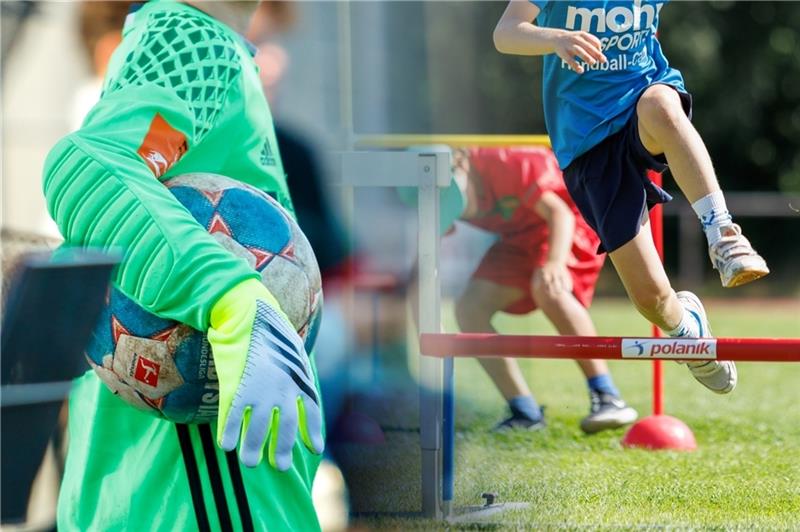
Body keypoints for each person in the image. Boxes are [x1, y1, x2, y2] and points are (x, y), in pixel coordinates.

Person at [42, 1, 324, 530]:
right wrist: (230, 297)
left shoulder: (213, 45)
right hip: (202, 489)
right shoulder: (191, 35)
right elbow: (88, 168)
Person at [493, 0, 770, 394]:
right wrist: (556, 38)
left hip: (642, 104)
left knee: (661, 105)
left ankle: (724, 235)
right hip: (586, 141)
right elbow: (506, 32)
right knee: (651, 299)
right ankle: (687, 330)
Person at [443, 147, 638, 433]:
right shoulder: (431, 195)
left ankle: (608, 396)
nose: (461, 211)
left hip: (570, 221)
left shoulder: (508, 162)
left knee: (548, 288)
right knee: (469, 309)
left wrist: (555, 263)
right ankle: (525, 412)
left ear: (462, 168)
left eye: (458, 200)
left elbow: (559, 214)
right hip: (519, 238)